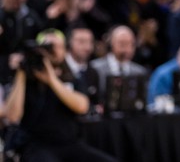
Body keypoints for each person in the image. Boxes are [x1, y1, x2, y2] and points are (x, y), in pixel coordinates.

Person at [3, 29, 117, 161]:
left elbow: (82, 107)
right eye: (48, 47)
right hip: (36, 145)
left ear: (65, 50)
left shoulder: (72, 77)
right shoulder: (27, 80)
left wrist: (51, 79)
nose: (53, 51)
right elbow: (12, 117)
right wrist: (22, 73)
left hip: (69, 143)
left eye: (57, 47)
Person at [90, 25, 148, 99]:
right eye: (122, 44)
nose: (127, 49)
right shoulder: (94, 68)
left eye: (131, 44)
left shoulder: (140, 73)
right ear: (111, 43)